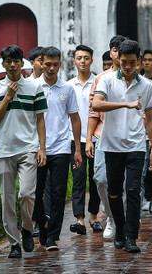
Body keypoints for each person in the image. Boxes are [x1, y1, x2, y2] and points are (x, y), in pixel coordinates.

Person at [91, 39, 152, 253]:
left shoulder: (147, 85)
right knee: (114, 192)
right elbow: (96, 104)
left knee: (133, 191)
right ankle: (119, 227)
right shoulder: (107, 80)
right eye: (123, 62)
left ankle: (131, 237)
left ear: (138, 61)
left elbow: (151, 116)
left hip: (137, 145)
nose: (127, 67)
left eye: (131, 62)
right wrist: (125, 104)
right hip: (111, 145)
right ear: (118, 59)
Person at [0, 45, 47, 259]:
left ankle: (28, 228)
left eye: (16, 61)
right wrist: (7, 97)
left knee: (27, 194)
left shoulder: (34, 88)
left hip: (28, 148)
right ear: (2, 64)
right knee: (7, 199)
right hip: (5, 150)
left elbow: (40, 120)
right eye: (8, 61)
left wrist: (42, 148)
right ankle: (14, 243)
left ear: (23, 63)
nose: (12, 65)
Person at [32, 46, 82, 252]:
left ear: (60, 64)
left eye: (55, 65)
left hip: (61, 147)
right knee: (34, 192)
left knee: (58, 193)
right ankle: (42, 223)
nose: (51, 69)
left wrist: (77, 148)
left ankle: (52, 236)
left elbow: (75, 118)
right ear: (41, 63)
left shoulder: (67, 88)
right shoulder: (32, 86)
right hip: (36, 147)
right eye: (47, 64)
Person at [86, 36, 127, 240]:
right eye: (115, 50)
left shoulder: (136, 80)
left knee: (126, 183)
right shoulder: (100, 78)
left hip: (128, 138)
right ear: (111, 53)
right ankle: (111, 216)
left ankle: (123, 221)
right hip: (102, 136)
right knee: (100, 179)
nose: (118, 54)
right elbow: (93, 111)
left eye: (122, 50)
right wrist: (87, 140)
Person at [69, 44, 103, 234]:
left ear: (91, 60)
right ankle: (79, 219)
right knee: (78, 178)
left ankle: (93, 216)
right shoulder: (68, 85)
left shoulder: (98, 83)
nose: (83, 61)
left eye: (86, 58)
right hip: (75, 140)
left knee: (96, 178)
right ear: (74, 60)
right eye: (79, 58)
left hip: (96, 138)